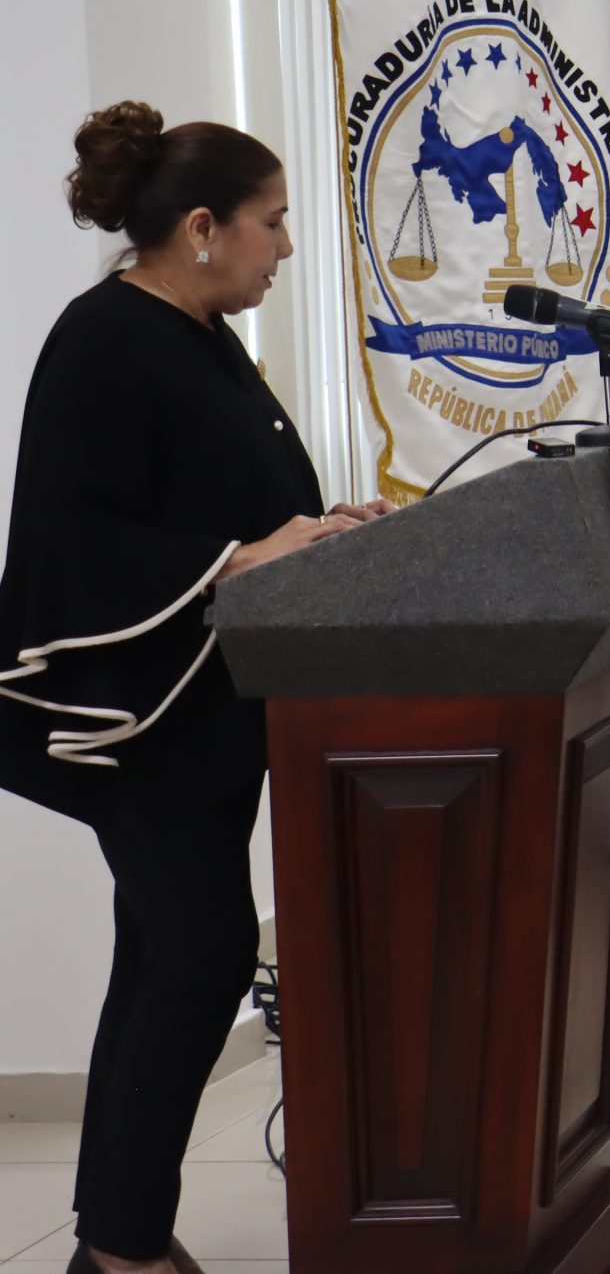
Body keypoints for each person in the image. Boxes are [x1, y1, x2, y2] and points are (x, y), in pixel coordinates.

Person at [0, 103, 391, 1274]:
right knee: (198, 955)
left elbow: (227, 501)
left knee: (172, 957)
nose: (284, 247)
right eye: (273, 224)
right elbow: (69, 544)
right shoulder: (104, 337)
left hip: (208, 708)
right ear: (204, 228)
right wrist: (239, 558)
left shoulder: (200, 330)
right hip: (137, 721)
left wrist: (312, 532)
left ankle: (112, 1240)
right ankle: (120, 1250)